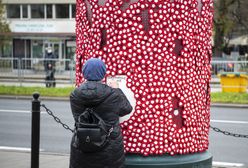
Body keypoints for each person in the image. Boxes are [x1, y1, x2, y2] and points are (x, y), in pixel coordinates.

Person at [69, 58, 133, 168]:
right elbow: (127, 109)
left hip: (83, 144)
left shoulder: (75, 95)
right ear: (103, 74)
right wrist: (117, 89)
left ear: (84, 73)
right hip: (109, 148)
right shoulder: (113, 94)